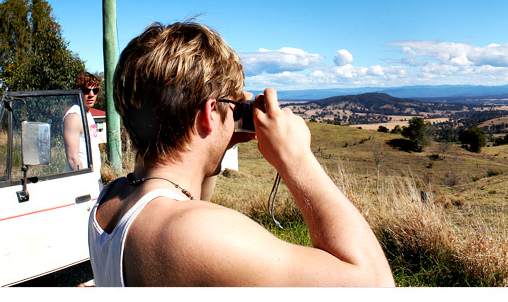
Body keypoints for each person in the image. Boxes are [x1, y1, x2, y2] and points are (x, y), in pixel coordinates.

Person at [87, 21, 393, 286]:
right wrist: (296, 158)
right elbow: (375, 284)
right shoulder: (192, 234)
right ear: (209, 112)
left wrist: (219, 140)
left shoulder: (111, 200)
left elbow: (189, 201)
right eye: (231, 109)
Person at [64, 72, 105, 170]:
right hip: (82, 181)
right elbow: (73, 158)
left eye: (95, 91)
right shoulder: (74, 116)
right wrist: (85, 182)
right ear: (78, 92)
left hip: (94, 179)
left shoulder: (87, 113)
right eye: (86, 91)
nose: (91, 95)